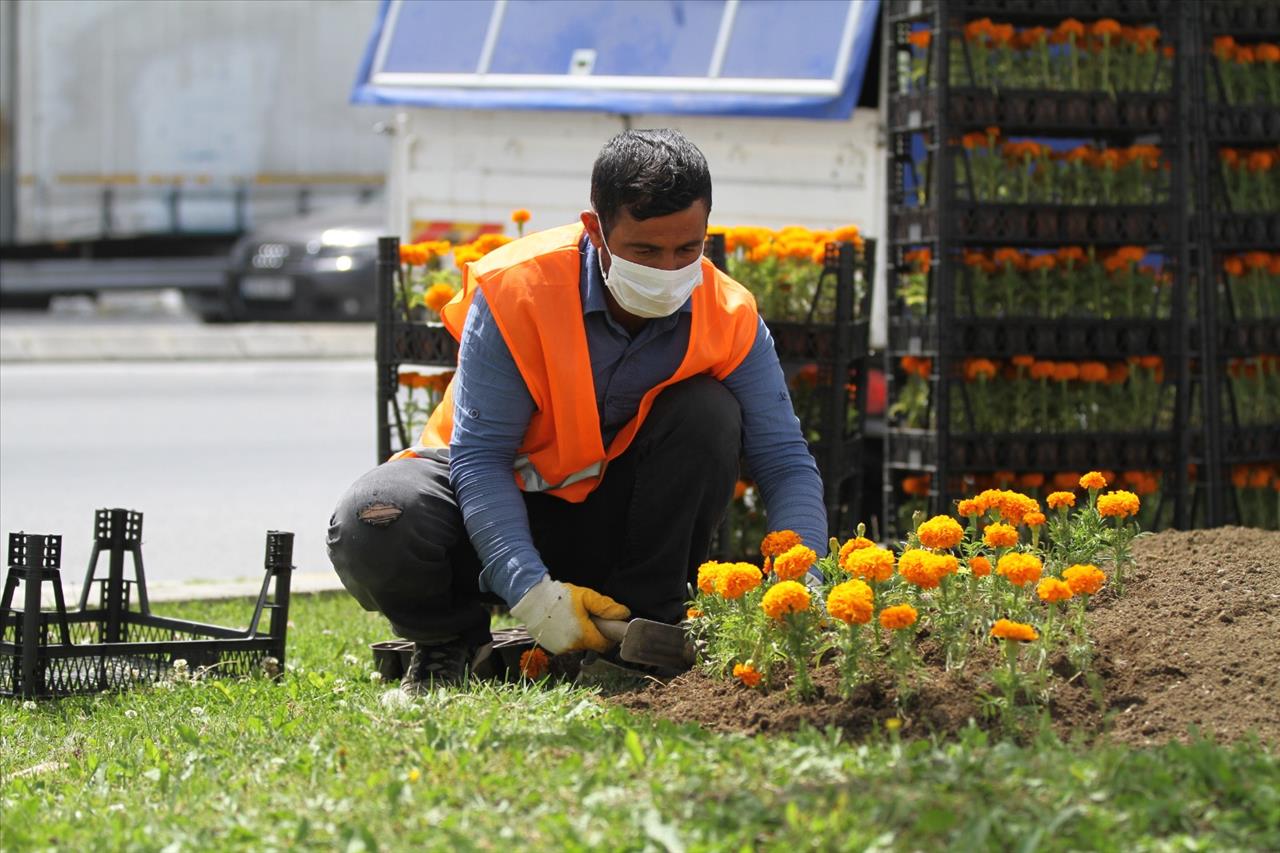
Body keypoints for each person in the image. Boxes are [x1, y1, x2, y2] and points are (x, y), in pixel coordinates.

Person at [327, 129, 828, 693]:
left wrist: (802, 577)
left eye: (688, 248)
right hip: (482, 510)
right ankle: (448, 643)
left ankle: (640, 633)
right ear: (596, 231)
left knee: (709, 412)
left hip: (604, 527)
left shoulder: (728, 313)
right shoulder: (518, 287)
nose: (669, 270)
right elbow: (482, 460)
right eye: (645, 251)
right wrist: (531, 592)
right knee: (374, 517)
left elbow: (784, 459)